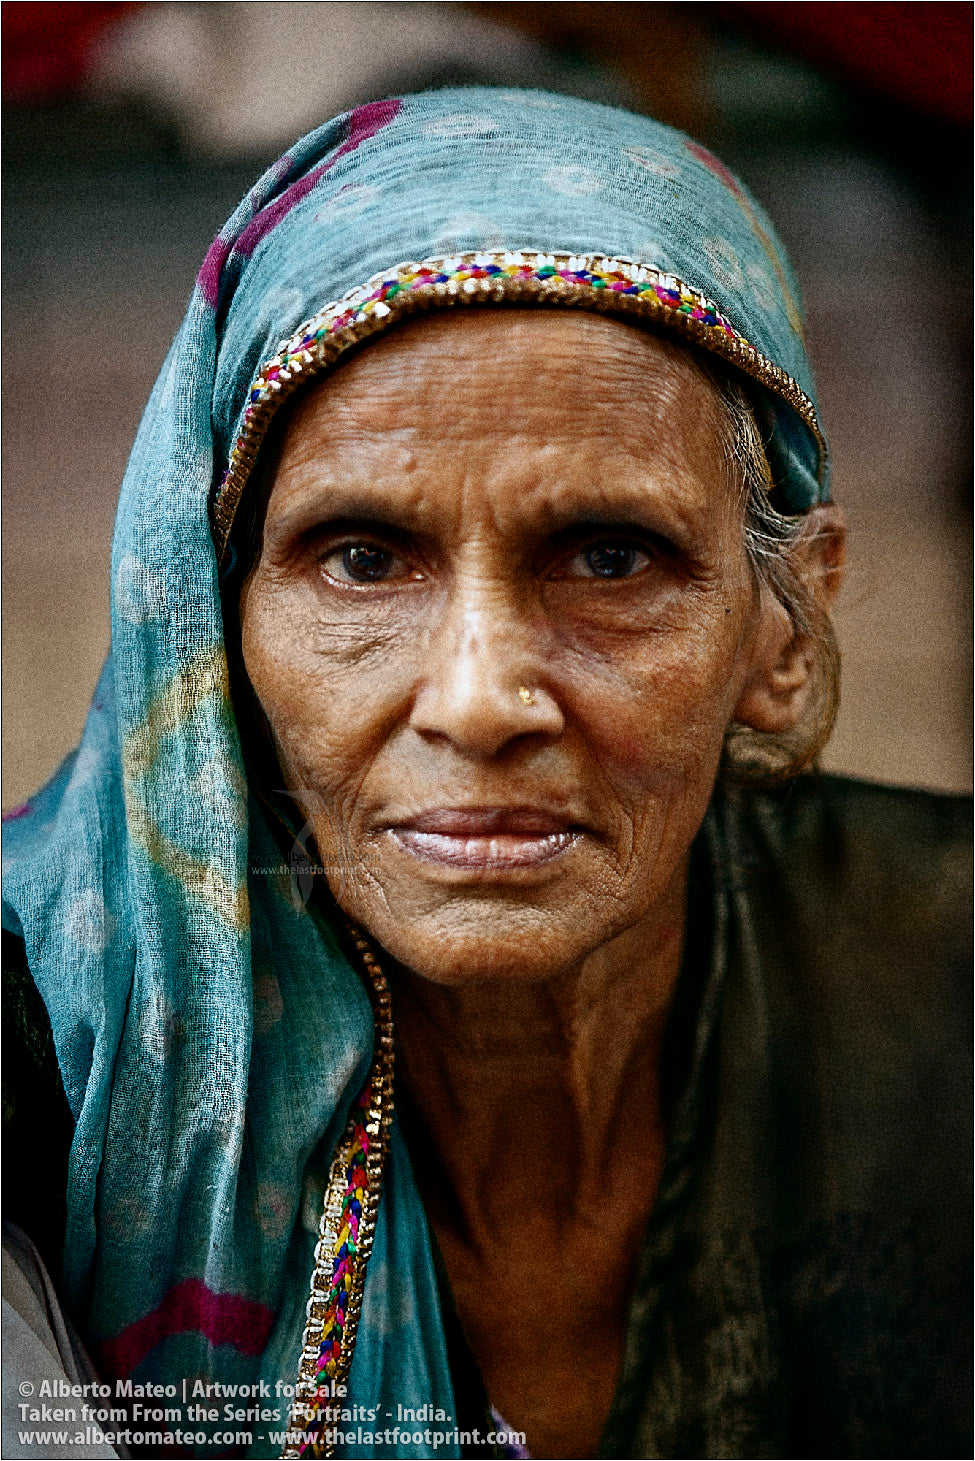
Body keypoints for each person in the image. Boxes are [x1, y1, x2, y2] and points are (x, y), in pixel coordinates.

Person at [2, 88, 969, 1461]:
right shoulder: (43, 1038)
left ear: (783, 630)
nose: (478, 699)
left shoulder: (944, 977)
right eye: (361, 559)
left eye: (610, 556)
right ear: (212, 631)